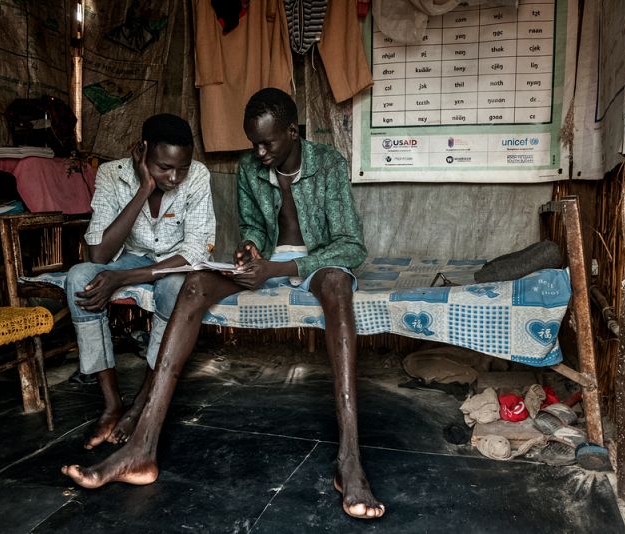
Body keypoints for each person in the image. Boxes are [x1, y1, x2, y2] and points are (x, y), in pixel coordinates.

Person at [62, 88, 385, 519]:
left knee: (338, 287)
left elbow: (350, 245)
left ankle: (350, 461)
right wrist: (250, 252)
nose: (259, 151)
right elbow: (253, 226)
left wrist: (277, 269)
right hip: (268, 263)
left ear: (292, 132)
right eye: (253, 141)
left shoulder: (327, 163)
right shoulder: (251, 167)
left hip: (317, 262)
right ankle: (140, 449)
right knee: (195, 284)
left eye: (268, 141)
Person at [65, 113, 215, 449]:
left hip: (175, 260)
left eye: (182, 168)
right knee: (79, 279)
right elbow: (99, 255)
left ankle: (142, 401)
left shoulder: (198, 176)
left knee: (174, 289)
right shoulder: (111, 174)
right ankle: (112, 402)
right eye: (163, 167)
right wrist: (144, 187)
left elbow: (194, 251)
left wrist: (127, 277)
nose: (174, 177)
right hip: (128, 257)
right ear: (142, 150)